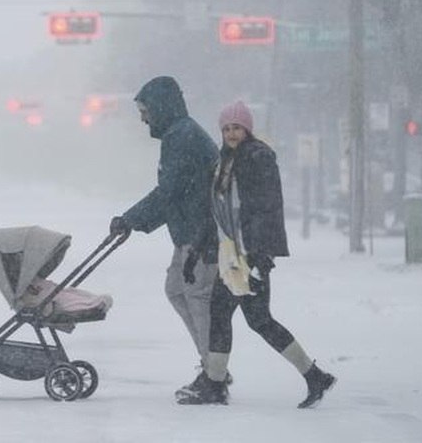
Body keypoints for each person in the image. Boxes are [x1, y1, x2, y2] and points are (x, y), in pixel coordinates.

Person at [177, 100, 336, 408]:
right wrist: (196, 252)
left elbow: (267, 208)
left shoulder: (257, 158)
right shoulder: (225, 162)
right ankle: (218, 383)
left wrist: (262, 255)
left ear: (247, 129)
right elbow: (216, 213)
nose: (231, 133)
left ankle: (218, 384)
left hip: (250, 255)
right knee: (231, 316)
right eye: (226, 129)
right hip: (232, 255)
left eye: (237, 127)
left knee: (254, 319)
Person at [109, 76, 220, 400]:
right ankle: (212, 366)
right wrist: (134, 221)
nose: (143, 117)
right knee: (177, 290)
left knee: (197, 296)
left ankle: (214, 375)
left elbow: (169, 192)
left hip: (201, 232)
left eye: (145, 110)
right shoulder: (179, 133)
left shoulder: (181, 137)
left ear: (160, 107)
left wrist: (130, 220)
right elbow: (173, 193)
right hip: (190, 230)